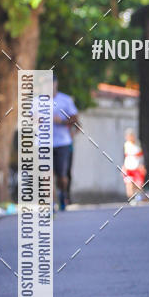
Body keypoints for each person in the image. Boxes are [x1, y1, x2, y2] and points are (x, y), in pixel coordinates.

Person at [52, 76, 80, 211]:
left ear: (56, 84)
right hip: (43, 143)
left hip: (62, 143)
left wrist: (61, 122)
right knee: (46, 174)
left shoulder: (65, 100)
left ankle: (63, 193)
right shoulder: (36, 101)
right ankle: (49, 202)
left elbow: (76, 120)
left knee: (62, 176)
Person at [122, 128, 146, 203]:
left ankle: (138, 198)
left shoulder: (137, 144)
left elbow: (141, 157)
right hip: (128, 169)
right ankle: (131, 200)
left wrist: (142, 166)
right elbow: (125, 157)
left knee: (138, 186)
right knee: (129, 185)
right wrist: (124, 167)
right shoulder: (126, 145)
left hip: (137, 168)